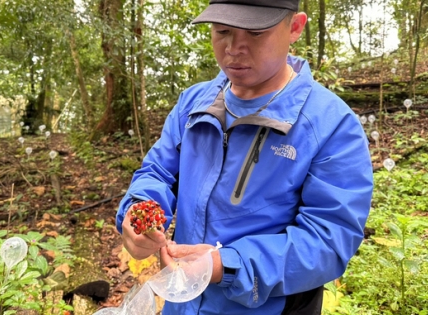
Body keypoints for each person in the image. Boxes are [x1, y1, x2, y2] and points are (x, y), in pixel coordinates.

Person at [116, 0, 374, 314]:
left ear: (294, 27)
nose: (235, 48)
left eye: (255, 33)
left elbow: (330, 240)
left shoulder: (330, 125)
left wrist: (225, 265)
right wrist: (140, 210)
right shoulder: (194, 104)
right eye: (223, 31)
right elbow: (158, 171)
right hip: (181, 303)